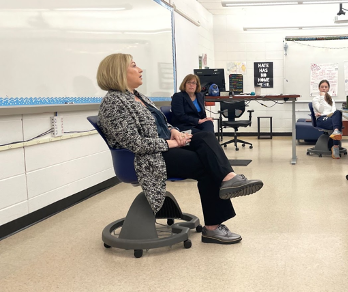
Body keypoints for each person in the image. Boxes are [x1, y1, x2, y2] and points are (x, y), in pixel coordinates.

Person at [96, 53, 264, 245]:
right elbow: (137, 144)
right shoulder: (113, 104)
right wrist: (174, 143)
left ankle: (228, 179)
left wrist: (174, 131)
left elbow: (160, 124)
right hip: (147, 158)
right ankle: (213, 227)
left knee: (205, 136)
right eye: (134, 66)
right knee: (206, 166)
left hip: (164, 147)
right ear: (118, 73)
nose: (140, 69)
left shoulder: (137, 97)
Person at [312, 79, 343, 159]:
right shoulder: (315, 99)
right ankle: (335, 147)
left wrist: (325, 114)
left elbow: (333, 110)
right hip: (321, 119)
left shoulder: (331, 99)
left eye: (326, 87)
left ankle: (336, 133)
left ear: (328, 88)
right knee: (336, 123)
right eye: (322, 87)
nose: (324, 88)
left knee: (338, 112)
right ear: (319, 88)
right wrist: (322, 97)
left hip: (331, 117)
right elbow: (320, 110)